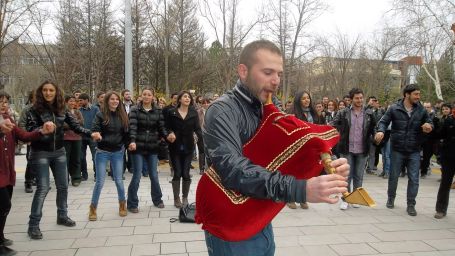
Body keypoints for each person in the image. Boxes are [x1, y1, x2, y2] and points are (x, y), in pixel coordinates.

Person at [200, 40, 349, 255]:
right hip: (230, 221)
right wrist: (300, 189)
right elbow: (234, 171)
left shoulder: (270, 107)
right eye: (268, 72)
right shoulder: (222, 111)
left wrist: (325, 168)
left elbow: (286, 153)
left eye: (279, 74)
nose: (276, 80)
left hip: (259, 215)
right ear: (243, 71)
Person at [24, 81, 91, 240]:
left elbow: (75, 126)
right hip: (40, 152)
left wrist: (90, 133)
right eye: (45, 90)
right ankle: (33, 225)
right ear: (41, 92)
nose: (48, 93)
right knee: (43, 188)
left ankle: (62, 215)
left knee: (63, 185)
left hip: (59, 151)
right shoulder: (33, 110)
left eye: (51, 90)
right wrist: (41, 129)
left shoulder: (62, 108)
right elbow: (28, 130)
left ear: (56, 92)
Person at [0, 91, 54, 256]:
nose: (4, 105)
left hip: (8, 171)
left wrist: (41, 131)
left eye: (6, 102)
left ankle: (1, 238)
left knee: (5, 206)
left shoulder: (8, 119)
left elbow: (23, 136)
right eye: (0, 102)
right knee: (3, 205)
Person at [375, 84, 433, 216]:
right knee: (393, 176)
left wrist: (429, 125)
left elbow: (430, 122)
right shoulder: (394, 108)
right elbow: (383, 122)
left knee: (414, 178)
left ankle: (411, 204)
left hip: (414, 149)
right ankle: (391, 198)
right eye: (416, 94)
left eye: (419, 94)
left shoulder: (421, 110)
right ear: (407, 94)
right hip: (397, 149)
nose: (418, 97)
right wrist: (380, 131)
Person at [330, 88, 376, 210]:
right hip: (347, 148)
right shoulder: (343, 112)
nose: (359, 100)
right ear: (351, 100)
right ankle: (345, 199)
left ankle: (356, 198)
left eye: (361, 98)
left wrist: (377, 135)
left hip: (363, 149)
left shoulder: (369, 113)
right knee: (346, 176)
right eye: (357, 98)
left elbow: (374, 128)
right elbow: (332, 125)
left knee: (359, 175)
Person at [127, 88, 171, 212]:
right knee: (137, 176)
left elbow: (162, 127)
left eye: (149, 95)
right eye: (144, 94)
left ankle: (157, 199)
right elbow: (133, 127)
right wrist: (133, 141)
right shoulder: (135, 109)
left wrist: (167, 136)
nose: (146, 96)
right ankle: (132, 203)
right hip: (138, 147)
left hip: (152, 146)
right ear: (141, 96)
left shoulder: (158, 110)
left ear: (153, 97)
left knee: (154, 175)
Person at [89, 91, 130, 221]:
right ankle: (93, 208)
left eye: (117, 99)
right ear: (107, 101)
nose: (115, 101)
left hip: (118, 152)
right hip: (102, 152)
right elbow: (94, 128)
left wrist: (128, 144)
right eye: (112, 99)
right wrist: (97, 134)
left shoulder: (122, 115)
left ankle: (122, 205)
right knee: (100, 182)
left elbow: (126, 133)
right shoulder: (100, 115)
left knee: (119, 180)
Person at [287, 90, 326, 210]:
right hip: (296, 148)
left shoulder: (315, 114)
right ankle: (291, 198)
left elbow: (319, 129)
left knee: (306, 174)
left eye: (308, 98)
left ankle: (302, 198)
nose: (306, 100)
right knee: (294, 173)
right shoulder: (292, 113)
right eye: (303, 98)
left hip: (310, 149)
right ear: (299, 100)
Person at [166, 91, 202, 208]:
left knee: (186, 173)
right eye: (184, 97)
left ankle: (185, 198)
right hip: (175, 146)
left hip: (188, 147)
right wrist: (170, 133)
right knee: (177, 173)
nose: (187, 98)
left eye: (189, 97)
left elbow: (197, 129)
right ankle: (176, 199)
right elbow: (166, 127)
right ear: (179, 100)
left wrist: (200, 139)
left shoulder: (193, 113)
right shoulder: (171, 112)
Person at [434, 103, 455, 219]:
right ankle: (441, 209)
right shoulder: (448, 121)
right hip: (449, 157)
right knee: (445, 183)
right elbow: (438, 135)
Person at [63, 95, 84, 186]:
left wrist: (71, 123)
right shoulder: (62, 112)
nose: (72, 103)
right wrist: (74, 123)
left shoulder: (77, 112)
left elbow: (82, 122)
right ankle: (64, 178)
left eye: (73, 101)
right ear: (66, 102)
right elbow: (62, 124)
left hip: (77, 138)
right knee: (65, 159)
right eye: (70, 101)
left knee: (76, 158)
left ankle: (76, 178)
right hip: (65, 138)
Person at [79, 93, 100, 181]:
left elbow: (98, 120)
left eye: (81, 100)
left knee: (95, 156)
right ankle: (84, 175)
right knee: (81, 156)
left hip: (93, 136)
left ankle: (97, 175)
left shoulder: (95, 109)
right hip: (82, 136)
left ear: (87, 100)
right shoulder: (79, 110)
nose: (79, 102)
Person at [18, 90, 36, 193]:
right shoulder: (27, 110)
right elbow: (22, 124)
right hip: (31, 138)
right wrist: (26, 138)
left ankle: (39, 180)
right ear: (31, 98)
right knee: (31, 161)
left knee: (42, 160)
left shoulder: (44, 108)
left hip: (42, 139)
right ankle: (28, 182)